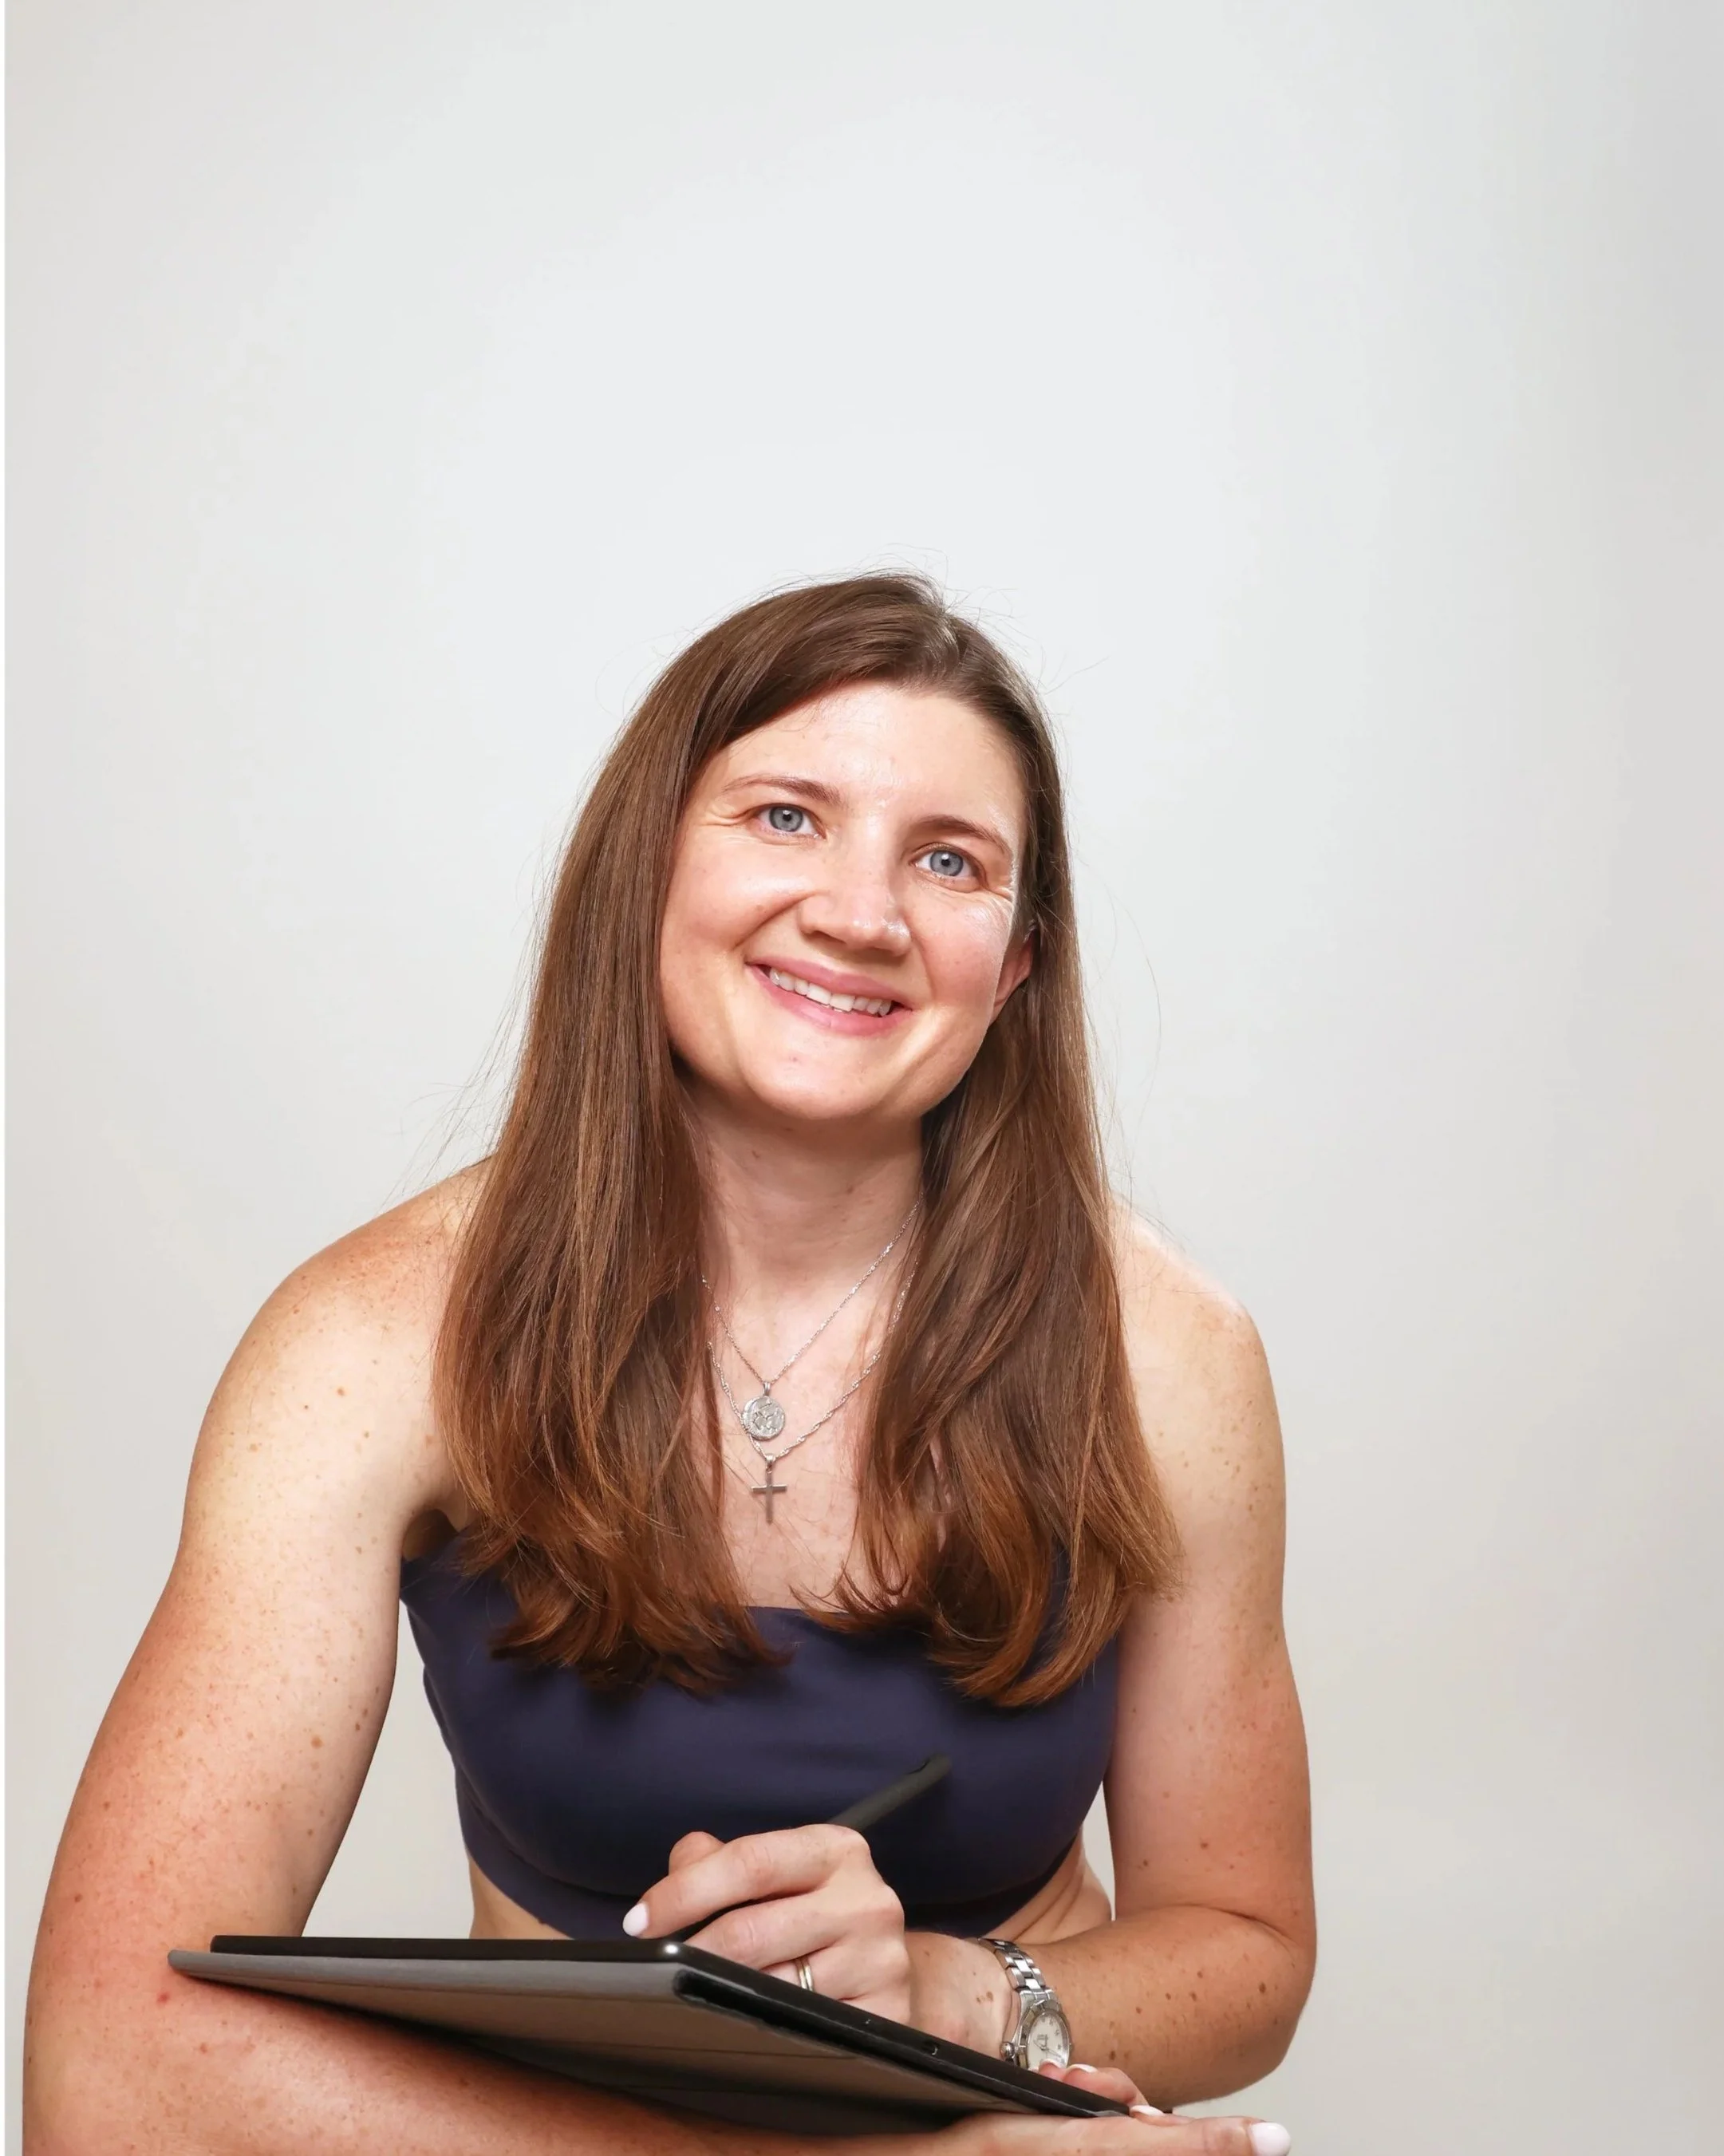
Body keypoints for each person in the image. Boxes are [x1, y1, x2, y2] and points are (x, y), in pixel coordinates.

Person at [25, 575, 1314, 2154]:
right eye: (786, 817)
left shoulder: (1172, 1357)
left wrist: (960, 1991)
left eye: (949, 859)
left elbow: (1248, 1952)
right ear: (646, 870)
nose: (861, 910)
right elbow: (111, 2072)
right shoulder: (371, 1345)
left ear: (1021, 964)